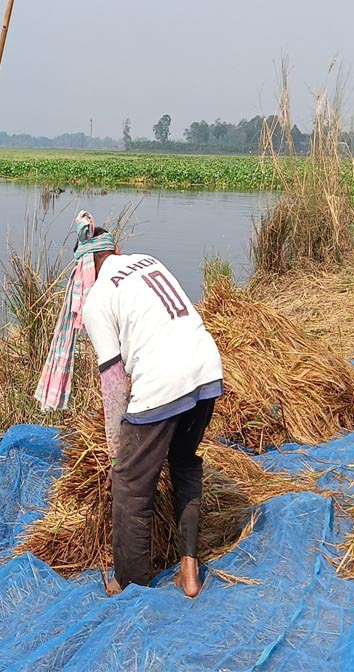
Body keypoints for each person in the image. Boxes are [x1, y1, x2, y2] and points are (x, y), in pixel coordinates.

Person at [36, 211, 224, 598]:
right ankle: (189, 571)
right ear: (117, 250)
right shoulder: (149, 261)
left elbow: (114, 383)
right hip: (208, 370)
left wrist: (116, 448)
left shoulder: (96, 298)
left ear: (83, 270)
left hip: (164, 380)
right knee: (185, 462)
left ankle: (130, 583)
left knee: (130, 486)